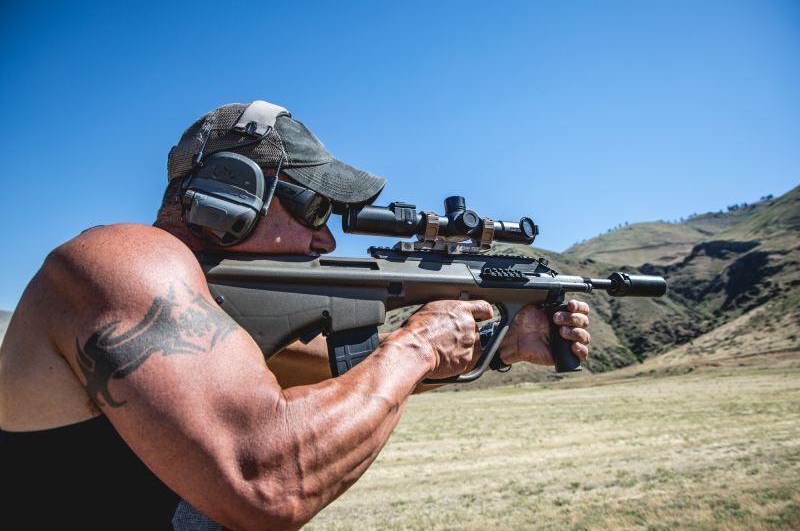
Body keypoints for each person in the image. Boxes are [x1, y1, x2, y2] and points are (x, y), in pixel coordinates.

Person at [0, 101, 591, 530]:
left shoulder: (207, 314)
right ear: (233, 191)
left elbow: (341, 379)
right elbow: (266, 484)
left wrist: (501, 344)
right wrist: (417, 347)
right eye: (314, 209)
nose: (327, 241)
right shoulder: (121, 260)